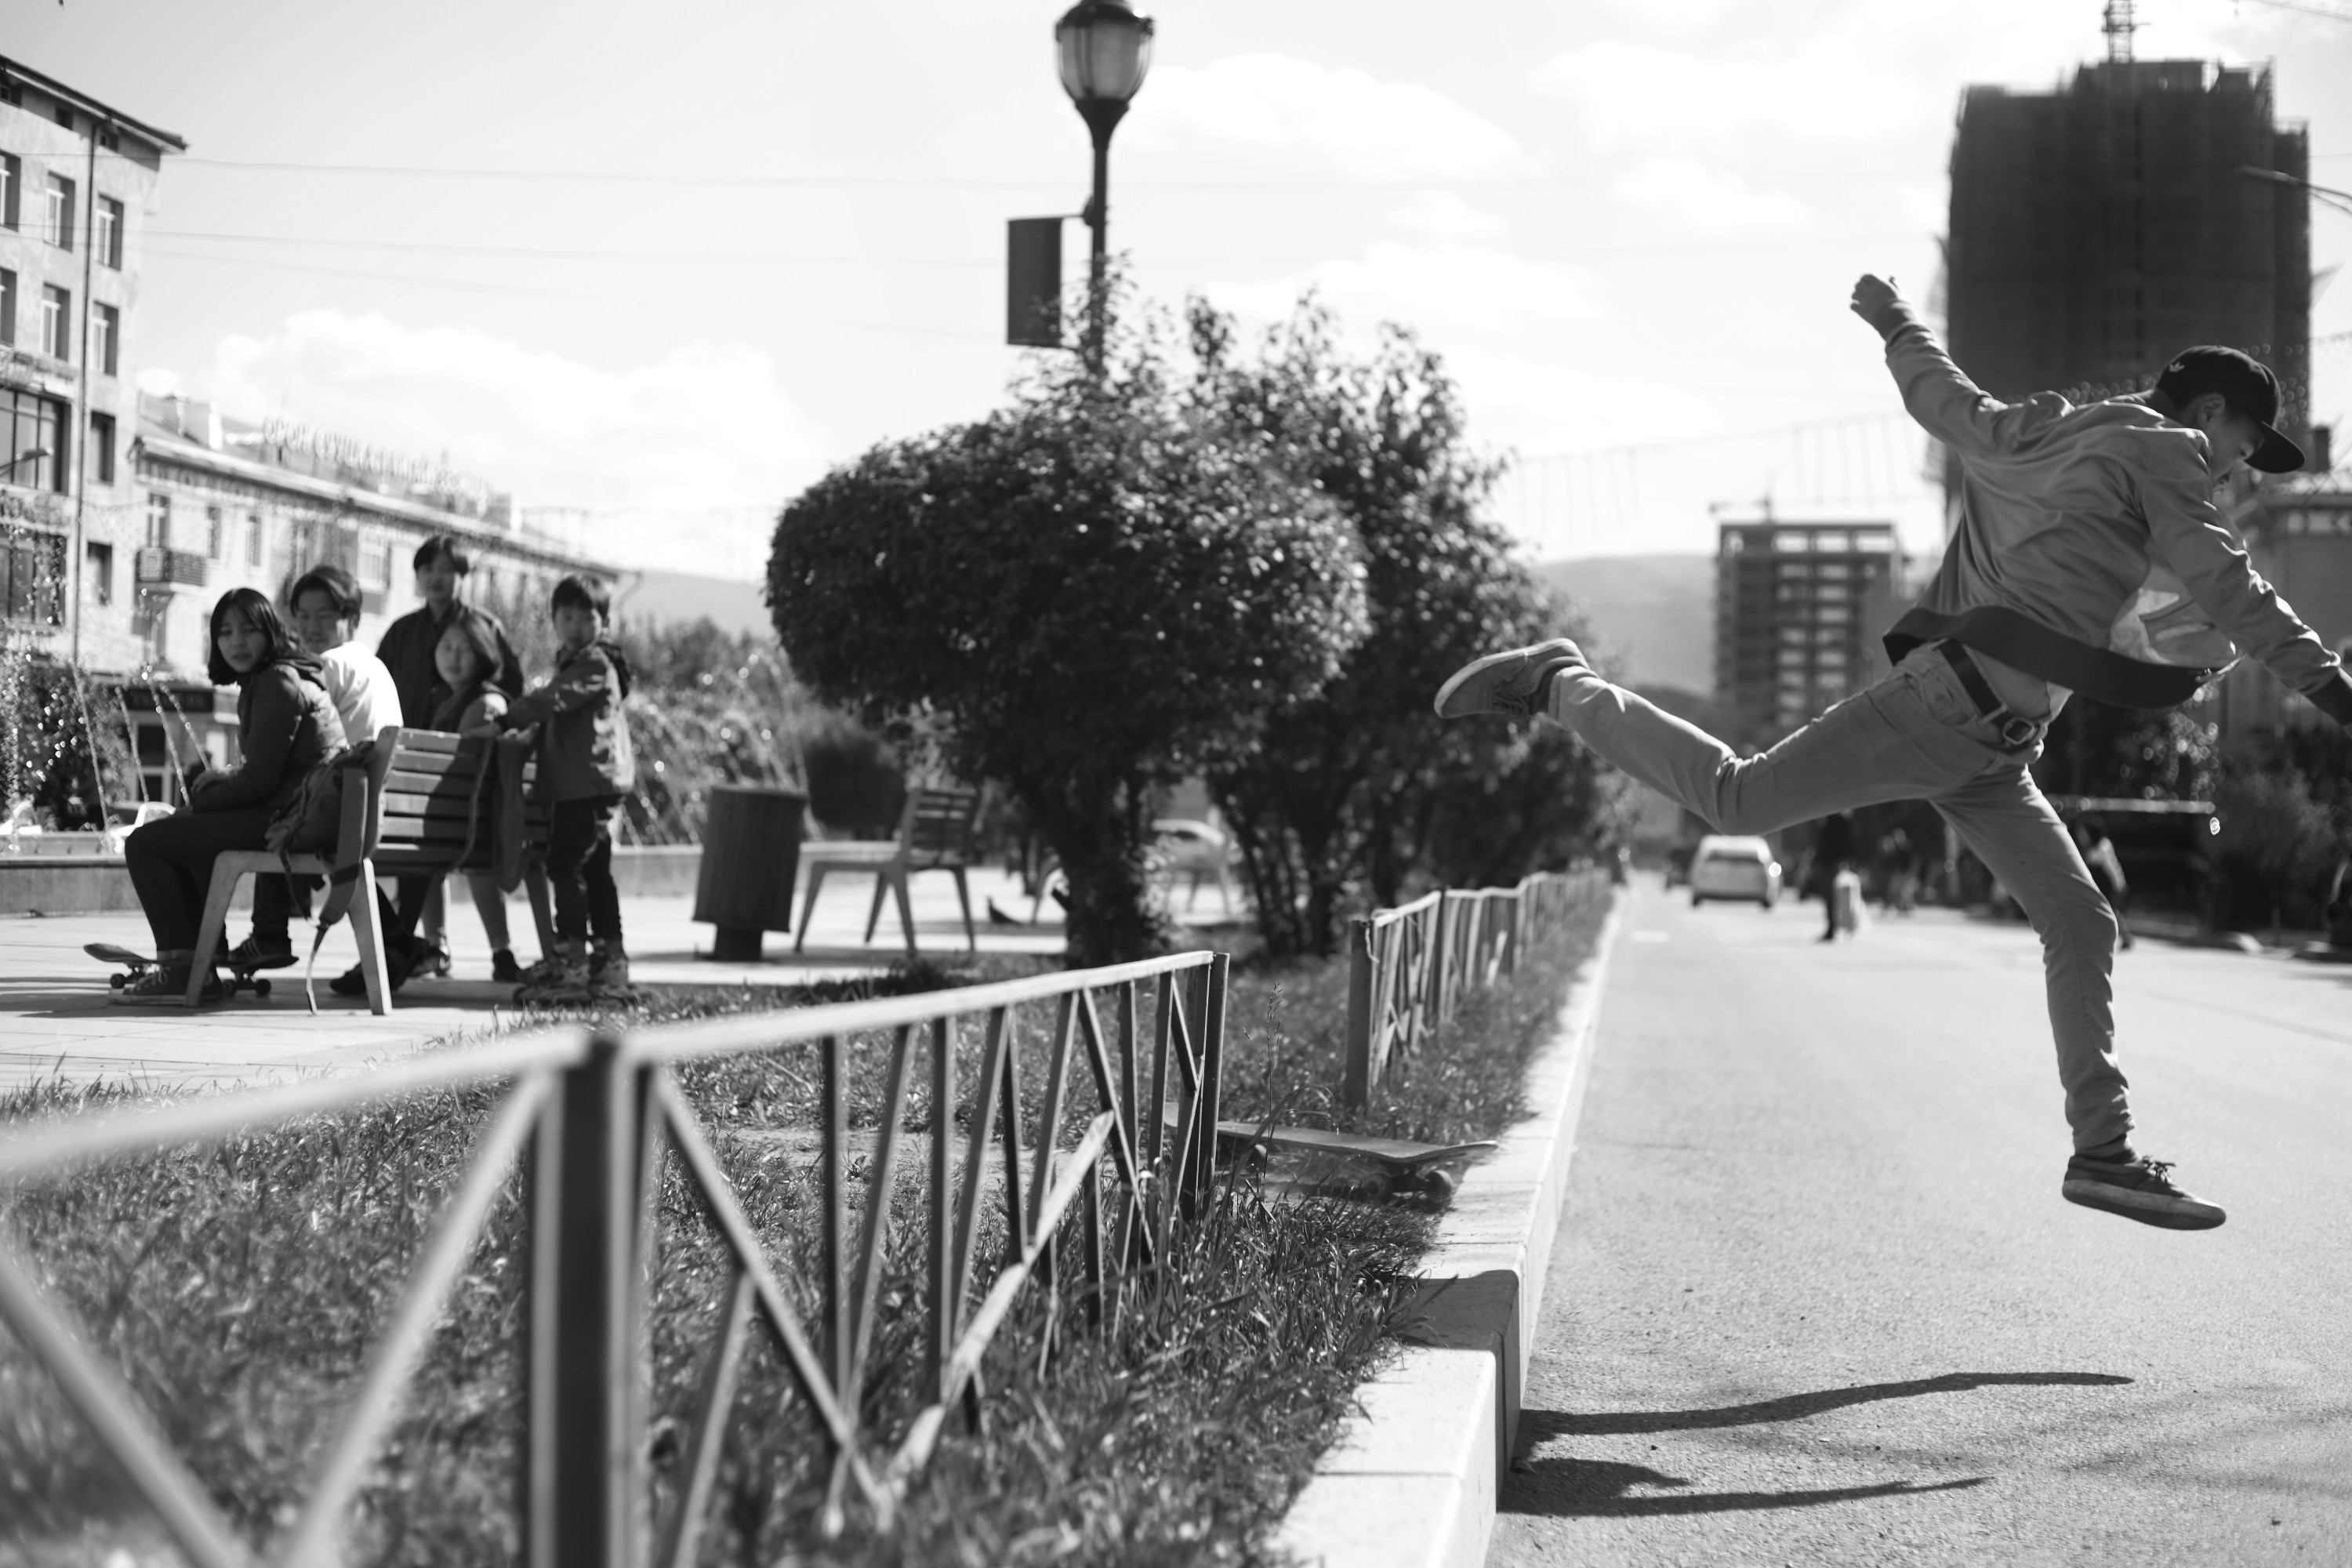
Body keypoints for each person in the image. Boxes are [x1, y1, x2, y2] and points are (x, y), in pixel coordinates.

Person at [1435, 273, 2352, 1233]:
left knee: (2081, 924)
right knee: (1737, 800)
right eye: (2242, 452)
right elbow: (2239, 593)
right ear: (2208, 412)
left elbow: (1935, 391)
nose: (2236, 477)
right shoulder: (2165, 452)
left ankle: (2102, 1153)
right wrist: (2337, 693)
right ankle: (1559, 682)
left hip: (1995, 751)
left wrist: (1895, 319)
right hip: (1945, 709)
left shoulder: (2037, 430)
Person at [120, 589, 348, 1003]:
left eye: (248, 630)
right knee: (186, 833)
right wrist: (217, 789)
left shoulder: (277, 681)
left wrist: (201, 804)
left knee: (145, 844)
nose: (236, 642)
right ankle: (202, 956)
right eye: (225, 632)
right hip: (297, 813)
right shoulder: (281, 676)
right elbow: (272, 767)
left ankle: (184, 967)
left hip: (288, 818)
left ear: (271, 632)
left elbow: (261, 781)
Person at [237, 565, 407, 971]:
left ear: (352, 620)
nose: (311, 625)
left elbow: (289, 734)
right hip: (383, 808)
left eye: (325, 615)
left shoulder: (327, 665)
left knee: (273, 815)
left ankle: (269, 934)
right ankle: (400, 948)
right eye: (303, 614)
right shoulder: (376, 666)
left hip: (348, 811)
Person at [376, 534, 524, 978]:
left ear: (462, 577)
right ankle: (429, 945)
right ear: (417, 577)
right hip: (412, 767)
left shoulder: (483, 628)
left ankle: (410, 946)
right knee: (420, 848)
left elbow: (511, 694)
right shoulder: (403, 631)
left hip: (464, 783)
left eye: (447, 570)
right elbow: (381, 692)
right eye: (428, 571)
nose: (437, 579)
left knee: (426, 849)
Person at [502, 575, 636, 997]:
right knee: (594, 870)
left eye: (586, 617)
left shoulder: (595, 664)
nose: (575, 625)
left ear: (605, 622)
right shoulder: (578, 662)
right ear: (554, 620)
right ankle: (609, 960)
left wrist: (509, 718)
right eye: (567, 616)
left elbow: (554, 699)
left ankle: (573, 961)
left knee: (566, 866)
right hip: (586, 782)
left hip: (587, 785)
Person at [430, 609, 538, 984]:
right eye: (446, 646)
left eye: (464, 648)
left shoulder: (484, 705)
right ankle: (494, 949)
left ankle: (432, 946)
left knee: (425, 859)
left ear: (484, 654)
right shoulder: (457, 700)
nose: (453, 656)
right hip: (470, 823)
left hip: (466, 826)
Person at [2075, 822, 2134, 950]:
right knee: (2108, 911)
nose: (2082, 837)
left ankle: (2124, 937)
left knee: (2110, 911)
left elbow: (2112, 868)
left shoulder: (2103, 846)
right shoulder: (2091, 848)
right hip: (2098, 886)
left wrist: (2120, 885)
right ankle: (2123, 937)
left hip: (2106, 886)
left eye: (2084, 833)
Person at [1813, 811, 1857, 942]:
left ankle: (1838, 926)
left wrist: (1845, 860)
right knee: (1830, 898)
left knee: (1834, 898)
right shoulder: (1829, 819)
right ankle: (1833, 927)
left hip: (1835, 864)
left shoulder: (1838, 820)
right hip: (1829, 863)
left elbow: (1845, 843)